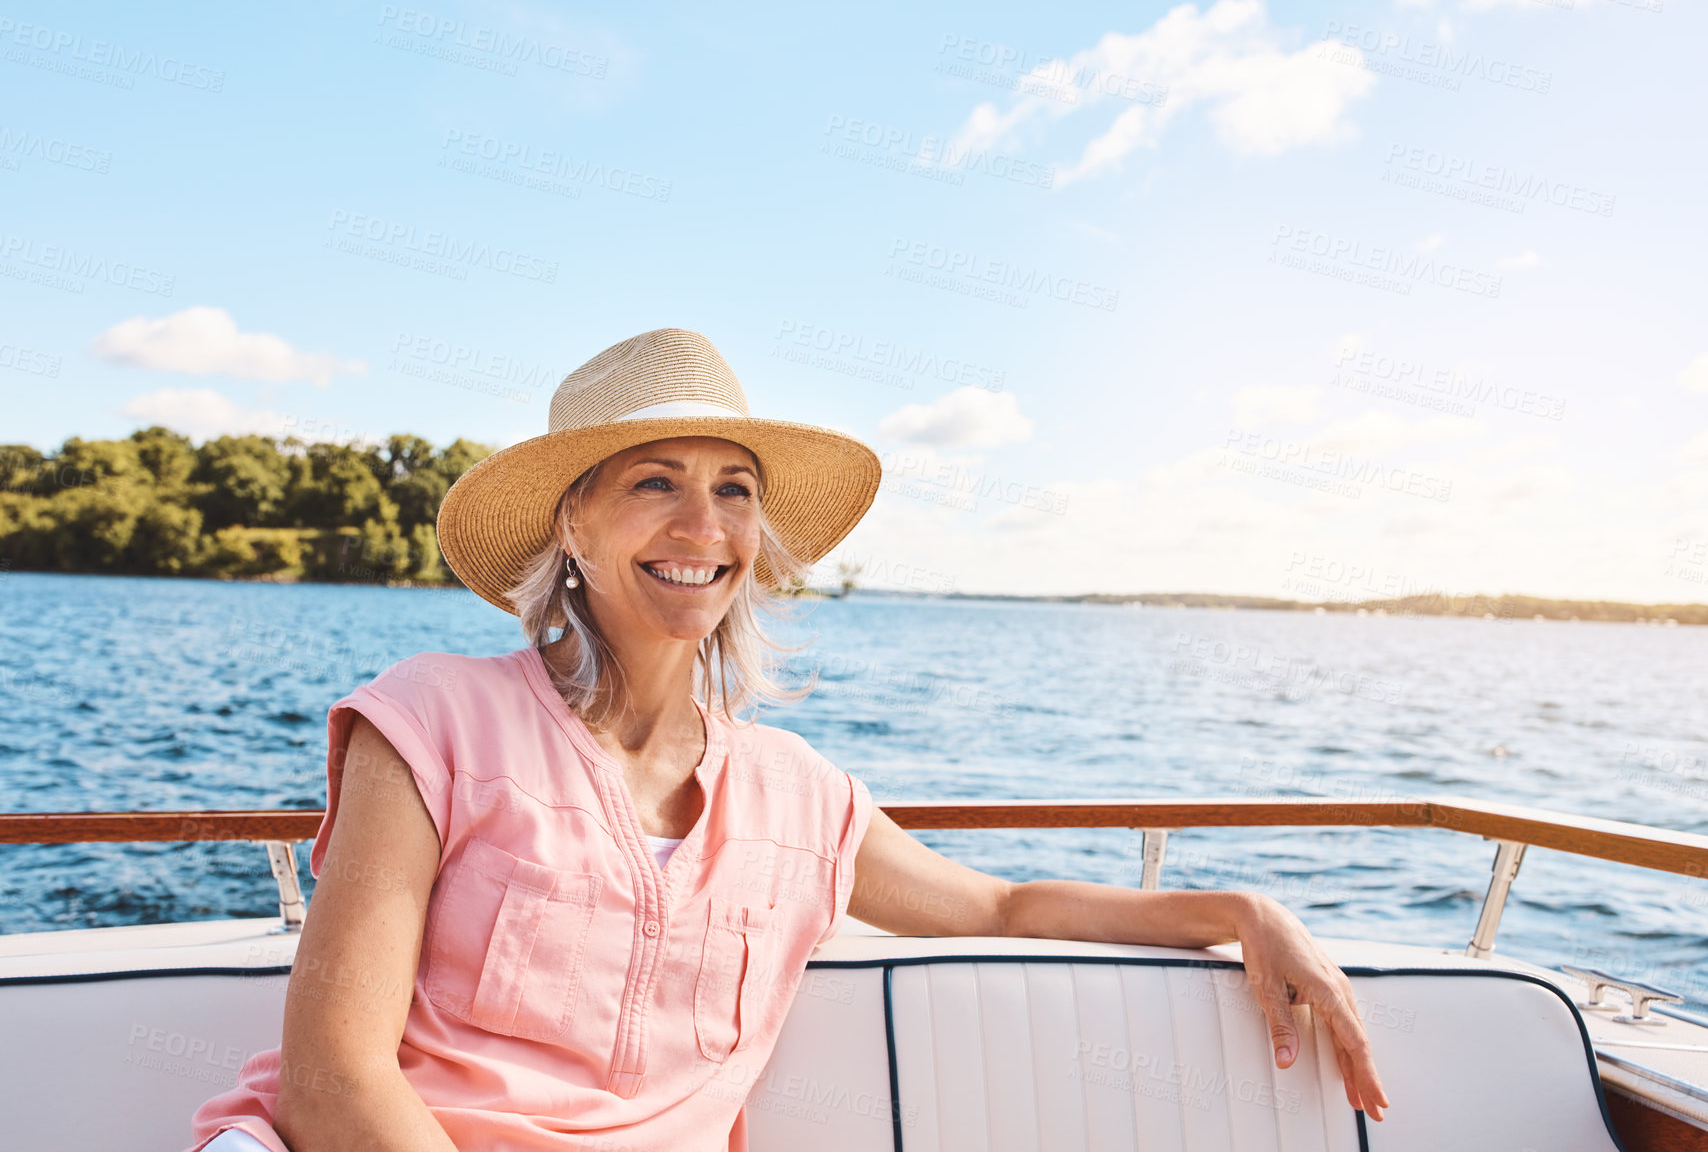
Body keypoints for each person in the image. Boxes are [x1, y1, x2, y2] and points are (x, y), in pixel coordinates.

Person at [186, 328, 1389, 1151]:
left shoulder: (796, 795)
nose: (701, 525)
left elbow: (1002, 907)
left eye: (734, 489)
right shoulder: (433, 716)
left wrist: (1240, 909)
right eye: (654, 481)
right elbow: (335, 1084)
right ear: (577, 523)